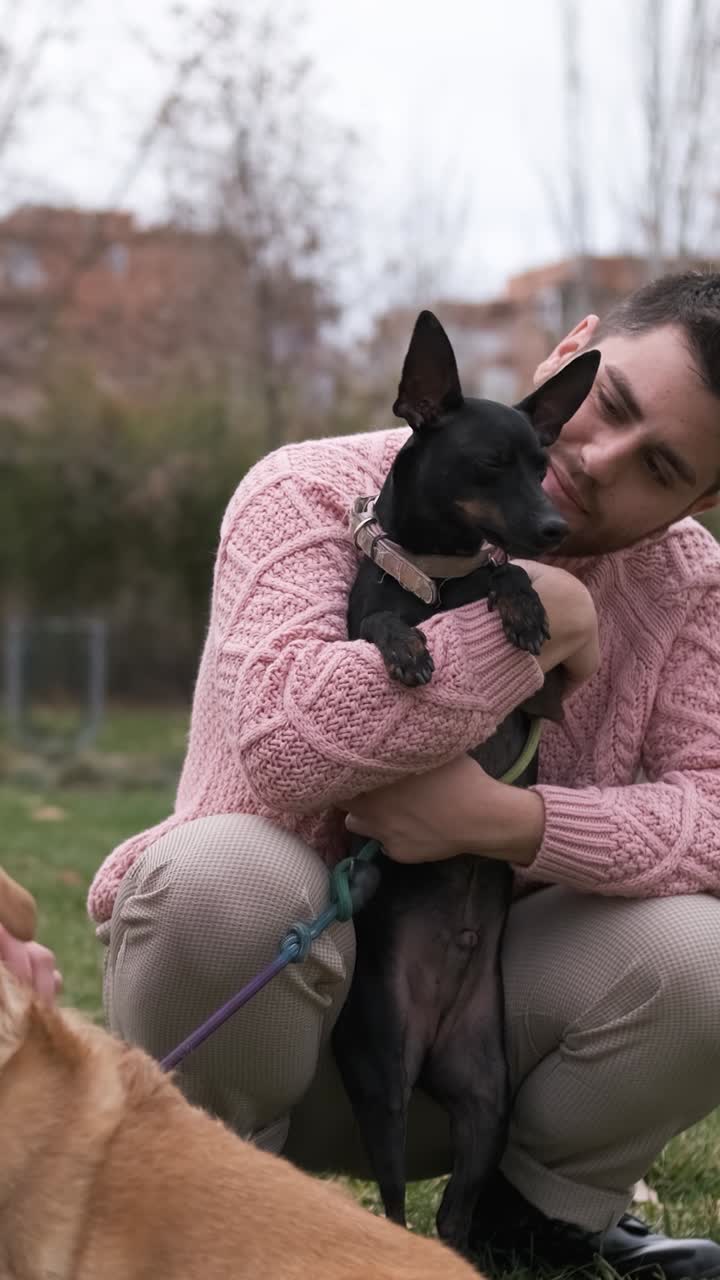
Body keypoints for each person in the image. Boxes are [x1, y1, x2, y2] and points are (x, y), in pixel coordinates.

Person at [90, 271, 720, 1278]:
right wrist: (528, 629)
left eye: (660, 465)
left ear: (705, 497)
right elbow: (284, 743)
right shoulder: (309, 488)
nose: (595, 462)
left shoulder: (690, 583)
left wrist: (507, 820)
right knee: (225, 875)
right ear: (572, 350)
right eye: (609, 405)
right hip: (253, 1004)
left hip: (472, 1035)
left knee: (707, 949)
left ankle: (531, 1225)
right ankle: (202, 1212)